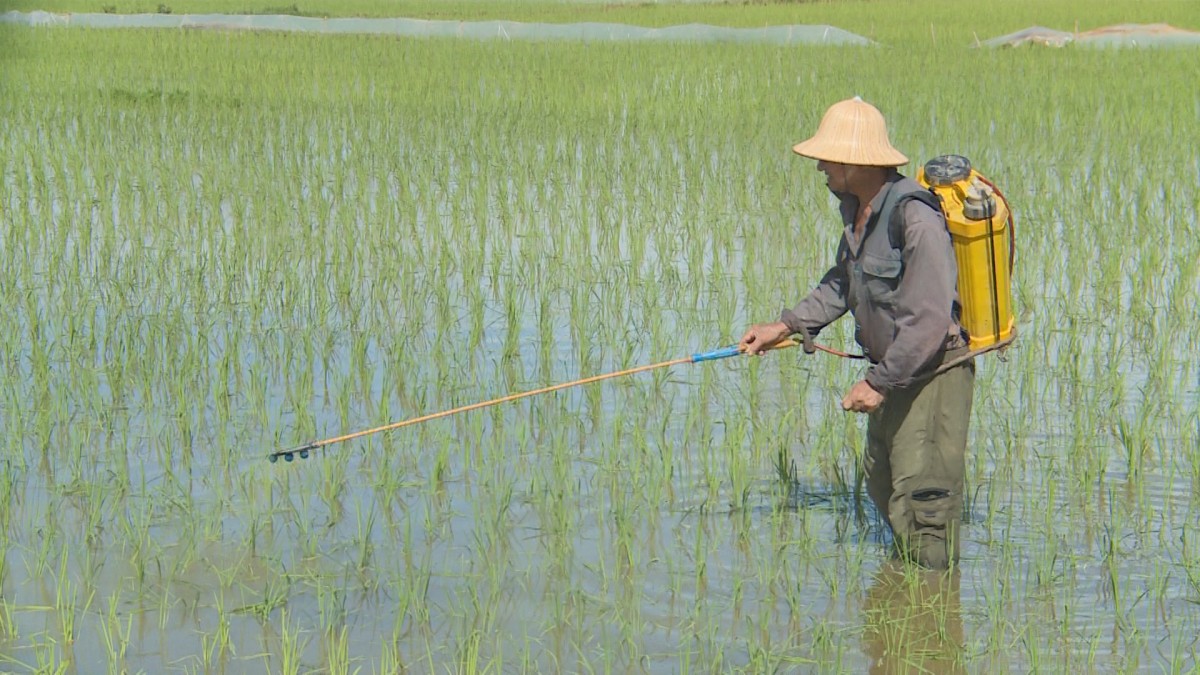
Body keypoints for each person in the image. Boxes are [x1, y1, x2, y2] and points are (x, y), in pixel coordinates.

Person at [739, 97, 974, 570]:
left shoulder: (916, 218)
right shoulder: (859, 213)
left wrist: (876, 383)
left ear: (855, 160)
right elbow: (843, 284)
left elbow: (929, 320)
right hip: (896, 371)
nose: (821, 166)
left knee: (923, 502)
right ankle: (902, 604)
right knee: (882, 482)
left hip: (933, 374)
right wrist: (782, 326)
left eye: (827, 158)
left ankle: (932, 611)